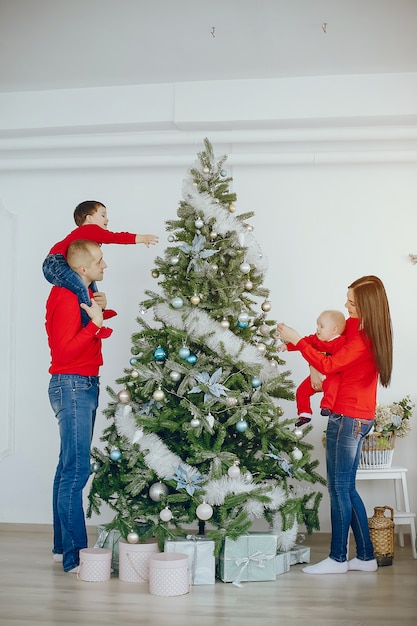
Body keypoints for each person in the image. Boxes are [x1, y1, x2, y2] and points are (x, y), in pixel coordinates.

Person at [277, 276, 393, 575]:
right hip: (351, 416)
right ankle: (366, 557)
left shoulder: (365, 338)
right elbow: (328, 345)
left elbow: (331, 364)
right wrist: (301, 350)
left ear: (366, 307)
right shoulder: (357, 326)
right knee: (345, 487)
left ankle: (337, 559)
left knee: (339, 488)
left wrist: (298, 341)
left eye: (352, 302)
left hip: (350, 418)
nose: (345, 305)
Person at [46, 240, 113, 573]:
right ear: (82, 269)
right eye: (100, 261)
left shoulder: (80, 295)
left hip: (82, 384)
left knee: (66, 468)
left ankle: (62, 549)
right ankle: (75, 558)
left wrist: (101, 311)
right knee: (76, 472)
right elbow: (65, 351)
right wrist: (97, 324)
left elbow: (84, 332)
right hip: (72, 385)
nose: (105, 265)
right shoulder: (64, 296)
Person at [43, 200, 158, 326]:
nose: (107, 219)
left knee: (90, 283)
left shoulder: (87, 233)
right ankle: (90, 321)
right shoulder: (89, 229)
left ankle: (99, 311)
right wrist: (142, 238)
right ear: (90, 218)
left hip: (56, 262)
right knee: (81, 287)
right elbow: (115, 237)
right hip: (55, 263)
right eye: (103, 215)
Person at [278, 310, 346, 427]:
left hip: (331, 375)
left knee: (333, 386)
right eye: (317, 325)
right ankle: (305, 414)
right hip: (316, 375)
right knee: (301, 391)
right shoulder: (315, 339)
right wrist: (286, 346)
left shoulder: (341, 343)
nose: (317, 329)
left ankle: (326, 407)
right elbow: (301, 343)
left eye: (322, 326)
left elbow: (338, 364)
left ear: (334, 330)